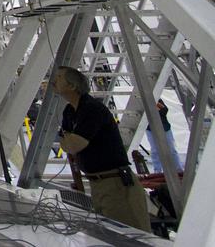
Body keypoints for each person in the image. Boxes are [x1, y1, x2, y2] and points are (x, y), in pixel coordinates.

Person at [52, 66, 152, 232]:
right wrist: (69, 141)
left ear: (72, 86)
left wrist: (69, 141)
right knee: (109, 235)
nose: (54, 80)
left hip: (116, 184)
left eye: (60, 77)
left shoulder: (91, 109)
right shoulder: (69, 111)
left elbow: (74, 145)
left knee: (128, 236)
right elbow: (68, 145)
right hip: (97, 184)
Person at [146, 99, 181, 174]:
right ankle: (157, 171)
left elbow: (165, 110)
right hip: (150, 129)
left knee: (171, 149)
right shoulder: (141, 102)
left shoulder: (156, 98)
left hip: (164, 127)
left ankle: (179, 169)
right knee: (155, 150)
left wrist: (155, 103)